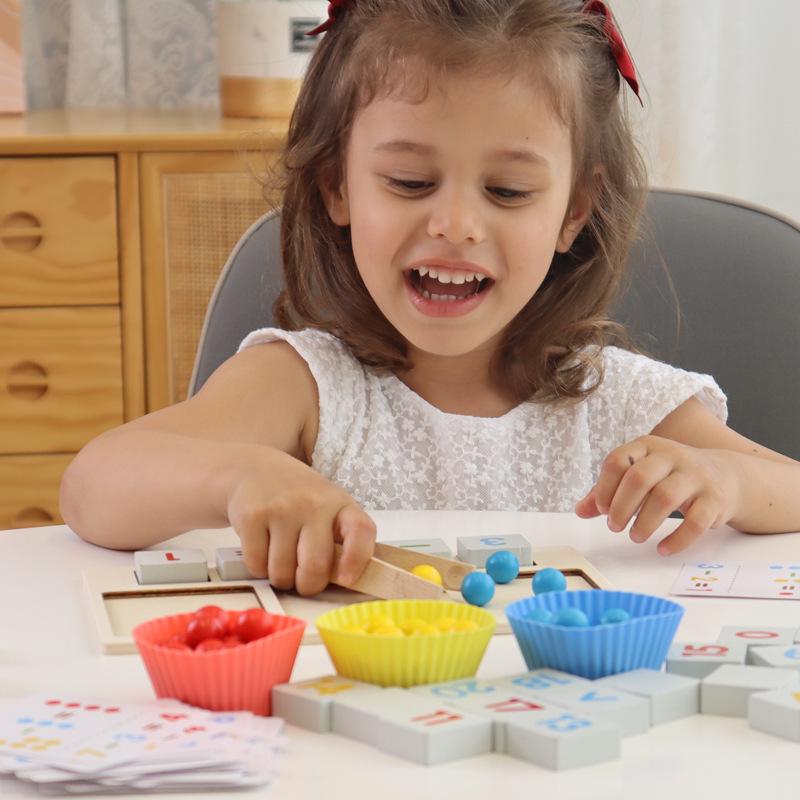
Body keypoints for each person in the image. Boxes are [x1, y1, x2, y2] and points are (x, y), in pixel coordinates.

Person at [60, 0, 800, 597]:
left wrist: (727, 481)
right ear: (336, 185)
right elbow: (94, 486)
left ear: (574, 211)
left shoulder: (620, 403)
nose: (454, 226)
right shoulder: (307, 386)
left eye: (508, 191)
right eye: (410, 183)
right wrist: (239, 478)